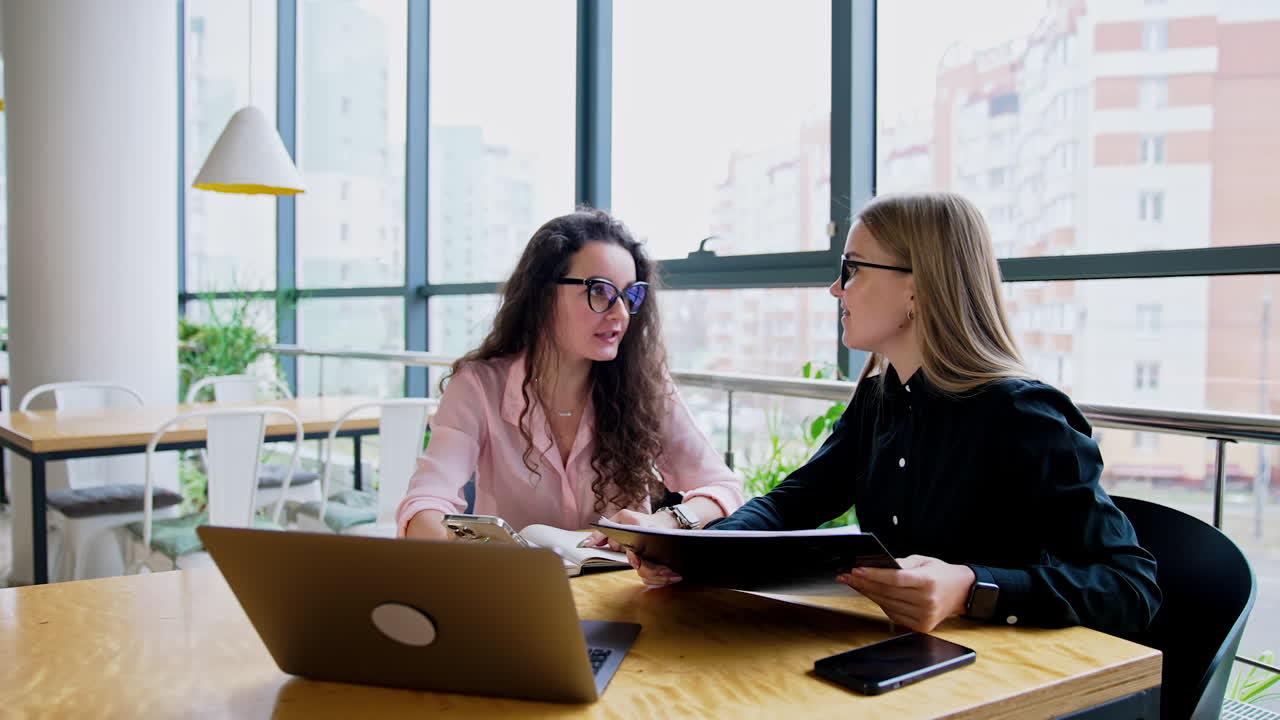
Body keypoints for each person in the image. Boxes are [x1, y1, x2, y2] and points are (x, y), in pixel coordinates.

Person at [630, 192, 1161, 637]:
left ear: (917, 285)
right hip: (900, 660)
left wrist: (971, 588)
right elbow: (795, 501)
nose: (836, 289)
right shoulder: (880, 399)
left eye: (852, 269)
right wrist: (695, 551)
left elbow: (1131, 586)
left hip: (1001, 679)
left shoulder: (1024, 415)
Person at [397, 208, 744, 542]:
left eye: (628, 294)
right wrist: (449, 544)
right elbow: (427, 502)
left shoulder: (644, 386)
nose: (620, 313)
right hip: (521, 587)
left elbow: (723, 488)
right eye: (599, 291)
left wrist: (664, 521)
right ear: (543, 294)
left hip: (622, 588)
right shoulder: (479, 384)